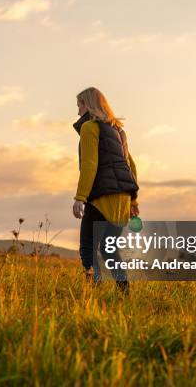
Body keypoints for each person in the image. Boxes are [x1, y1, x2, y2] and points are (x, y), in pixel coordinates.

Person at [72, 87, 139, 293]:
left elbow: (90, 165)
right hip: (123, 199)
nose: (77, 112)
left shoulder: (90, 128)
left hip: (101, 197)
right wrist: (134, 202)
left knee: (88, 250)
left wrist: (80, 198)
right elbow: (131, 166)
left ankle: (94, 293)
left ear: (88, 105)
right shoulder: (119, 131)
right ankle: (124, 292)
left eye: (79, 105)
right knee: (110, 251)